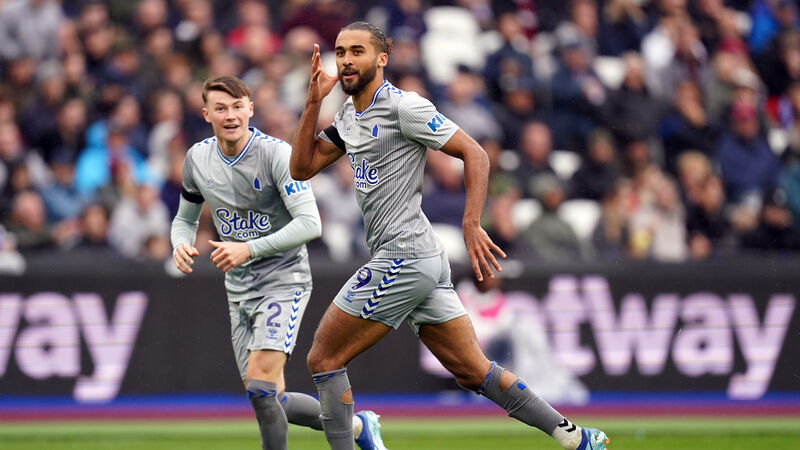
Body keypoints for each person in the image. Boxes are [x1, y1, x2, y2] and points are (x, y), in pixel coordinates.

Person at [290, 22, 610, 450]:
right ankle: (575, 438)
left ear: (382, 59)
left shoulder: (404, 107)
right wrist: (313, 102)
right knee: (473, 371)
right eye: (341, 51)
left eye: (357, 51)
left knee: (324, 359)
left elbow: (475, 153)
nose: (346, 60)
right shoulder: (349, 116)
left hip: (402, 257)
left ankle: (358, 433)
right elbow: (301, 168)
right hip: (419, 258)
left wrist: (471, 223)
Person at [170, 76, 386, 450]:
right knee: (269, 397)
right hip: (239, 288)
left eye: (237, 107)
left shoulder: (276, 155)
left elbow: (311, 224)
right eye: (220, 108)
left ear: (250, 110)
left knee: (260, 387)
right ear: (206, 114)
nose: (230, 115)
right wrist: (180, 244)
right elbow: (184, 219)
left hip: (283, 280)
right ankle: (357, 427)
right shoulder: (197, 159)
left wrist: (248, 249)